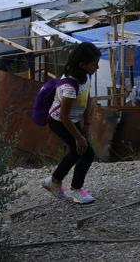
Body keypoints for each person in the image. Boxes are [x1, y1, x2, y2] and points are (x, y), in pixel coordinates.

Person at [42, 42, 102, 204]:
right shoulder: (68, 86)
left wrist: (87, 123)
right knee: (86, 153)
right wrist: (79, 137)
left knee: (78, 152)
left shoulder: (86, 76)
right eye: (94, 64)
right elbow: (64, 116)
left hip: (71, 120)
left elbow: (88, 97)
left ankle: (53, 182)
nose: (97, 67)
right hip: (59, 121)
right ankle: (75, 190)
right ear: (82, 65)